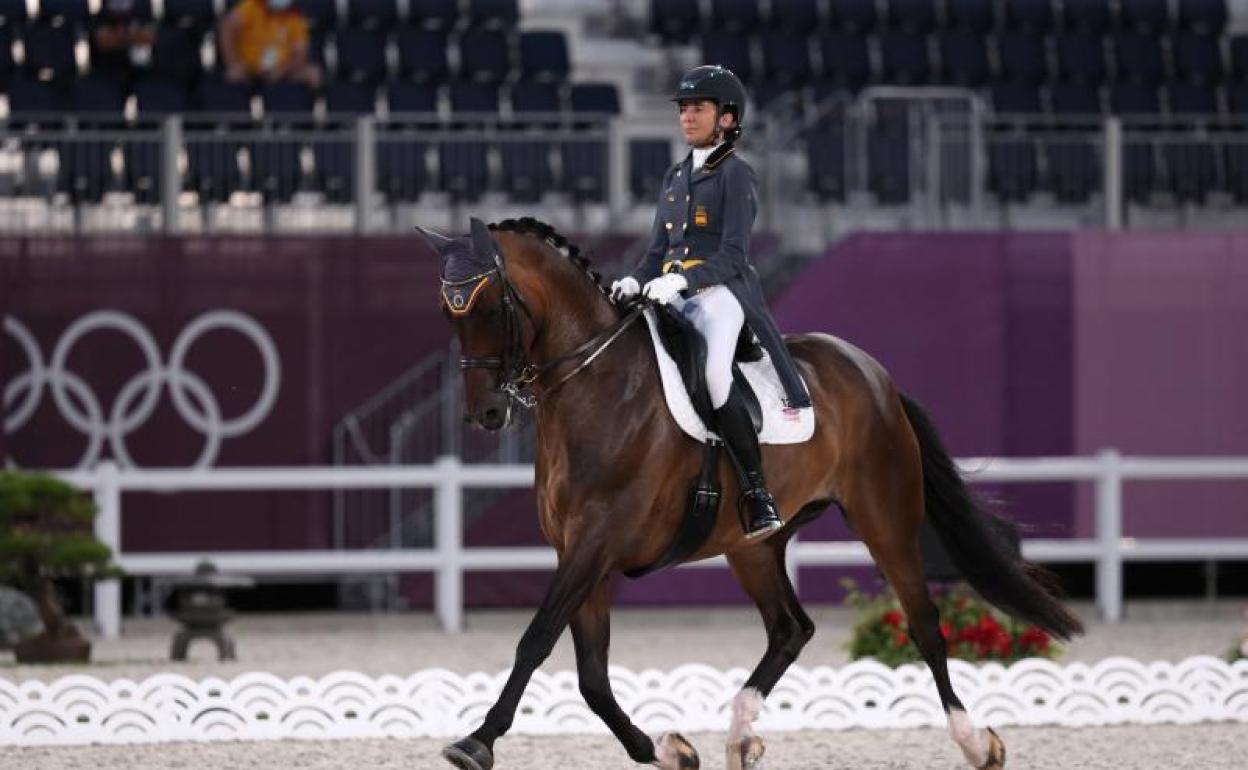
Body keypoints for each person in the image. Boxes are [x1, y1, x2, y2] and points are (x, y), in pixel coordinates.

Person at [611, 65, 811, 541]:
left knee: (715, 375)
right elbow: (656, 252)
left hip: (721, 294)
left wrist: (681, 280)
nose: (686, 116)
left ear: (726, 118)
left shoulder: (736, 175)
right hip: (673, 293)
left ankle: (757, 492)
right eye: (683, 108)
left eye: (697, 108)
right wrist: (635, 280)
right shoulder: (675, 175)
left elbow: (734, 255)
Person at [219, 0, 322, 88]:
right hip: (247, 69)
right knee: (232, 78)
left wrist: (282, 70)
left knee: (313, 74)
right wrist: (232, 63)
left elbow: (300, 52)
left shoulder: (294, 15)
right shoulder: (252, 6)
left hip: (281, 72)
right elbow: (227, 27)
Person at [88, 0, 156, 86]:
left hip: (140, 70)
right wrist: (126, 36)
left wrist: (125, 35)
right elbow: (102, 40)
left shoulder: (143, 4)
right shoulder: (102, 6)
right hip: (107, 68)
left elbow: (148, 36)